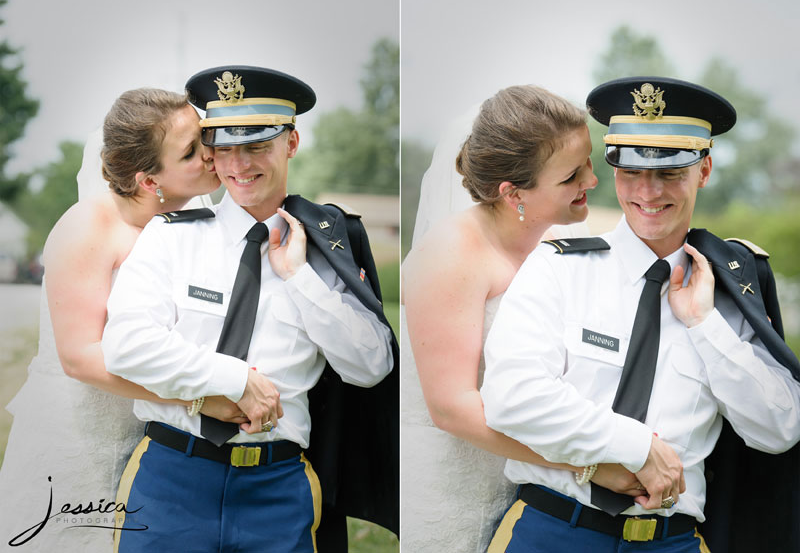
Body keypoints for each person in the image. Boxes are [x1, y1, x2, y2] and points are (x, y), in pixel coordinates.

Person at [481, 76, 800, 552]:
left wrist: (704, 324)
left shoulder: (731, 293)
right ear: (612, 169)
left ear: (705, 168)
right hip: (551, 530)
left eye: (670, 171)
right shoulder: (559, 266)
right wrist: (636, 447)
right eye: (631, 171)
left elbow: (779, 430)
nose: (648, 192)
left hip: (672, 541)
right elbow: (511, 398)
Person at [102, 66, 395, 553]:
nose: (239, 164)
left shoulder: (325, 249)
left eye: (257, 144)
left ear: (292, 143)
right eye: (223, 147)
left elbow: (371, 367)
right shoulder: (172, 235)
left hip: (278, 490)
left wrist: (300, 277)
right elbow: (125, 346)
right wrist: (232, 379)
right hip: (170, 481)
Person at [402, 85, 645, 553]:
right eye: (572, 174)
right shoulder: (450, 253)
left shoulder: (556, 241)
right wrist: (586, 465)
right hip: (458, 484)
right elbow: (452, 407)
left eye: (589, 163)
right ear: (513, 193)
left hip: (533, 485)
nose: (592, 181)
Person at [0, 88, 226, 550]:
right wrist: (198, 400)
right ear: (148, 181)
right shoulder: (88, 228)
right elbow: (81, 359)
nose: (210, 153)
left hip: (156, 444)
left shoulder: (198, 221)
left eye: (205, 137)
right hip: (84, 432)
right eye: (189, 151)